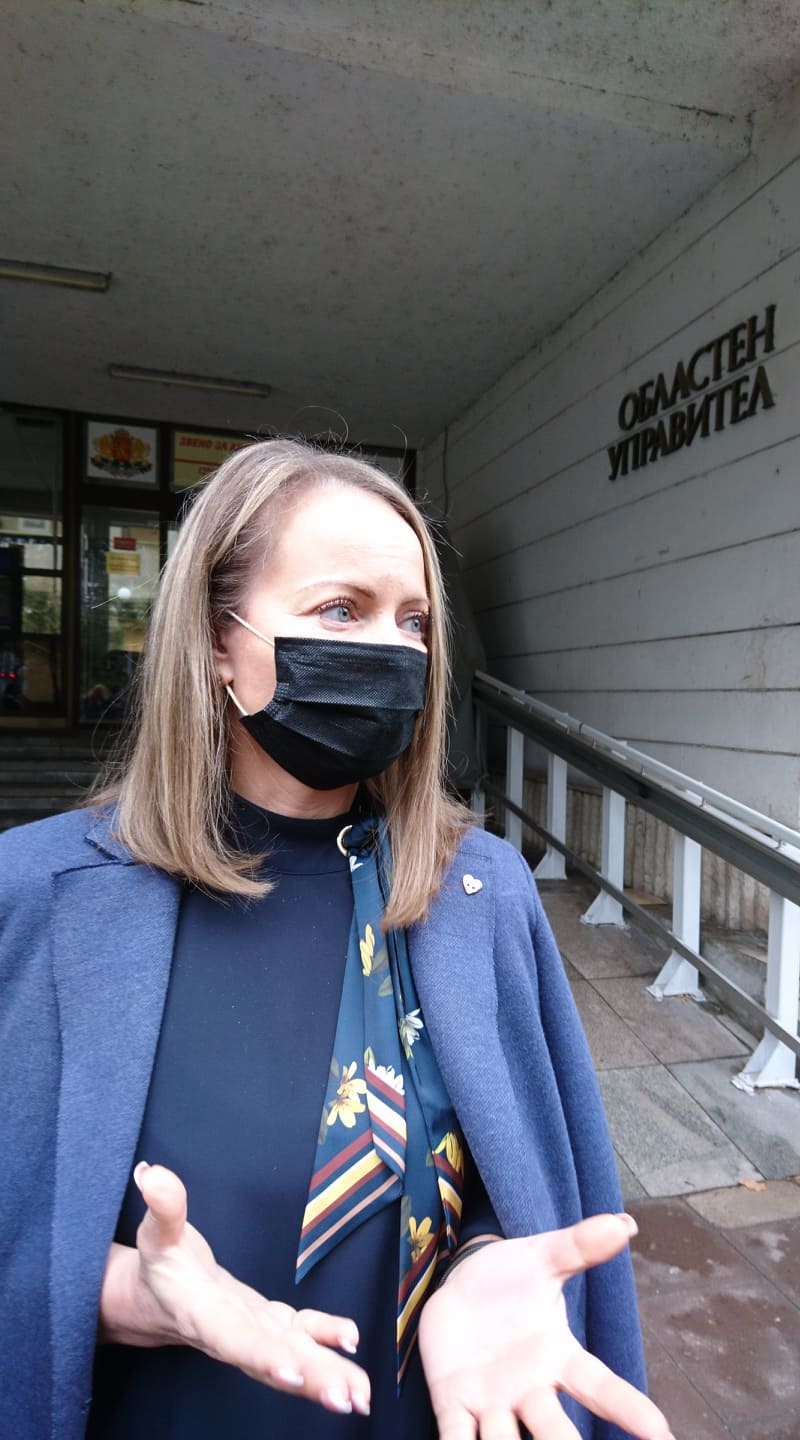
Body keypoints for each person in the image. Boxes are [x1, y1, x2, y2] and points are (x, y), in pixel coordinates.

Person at [0, 440, 673, 1440]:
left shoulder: (480, 896)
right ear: (217, 641)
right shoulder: (38, 897)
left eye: (414, 621)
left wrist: (484, 1259)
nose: (392, 651)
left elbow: (521, 1173)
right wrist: (121, 1292)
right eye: (340, 611)